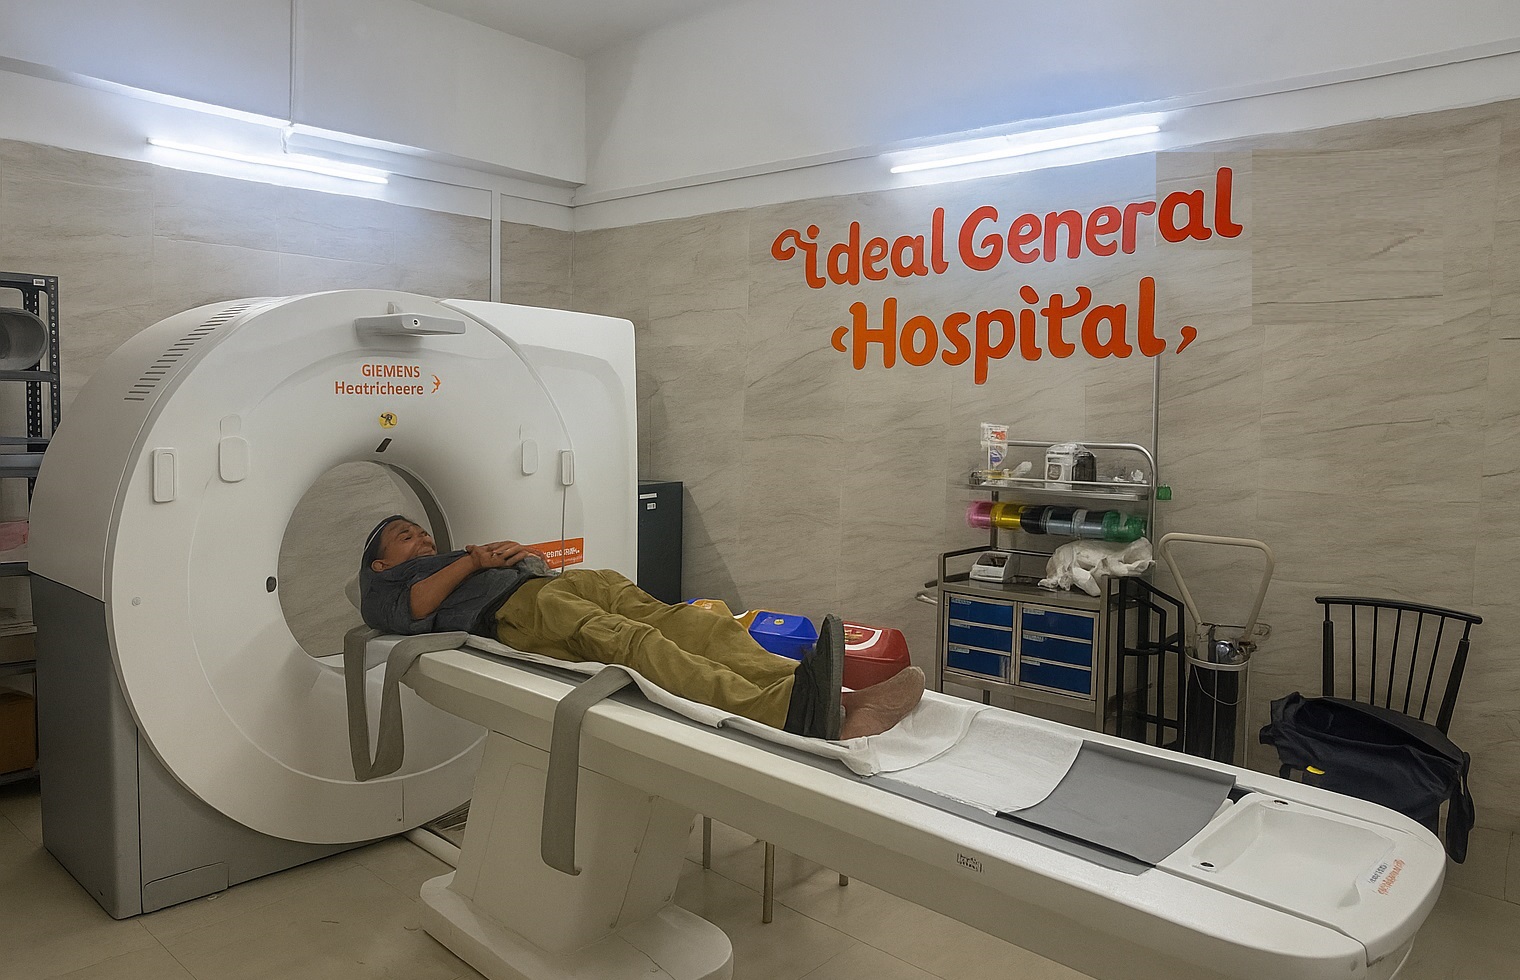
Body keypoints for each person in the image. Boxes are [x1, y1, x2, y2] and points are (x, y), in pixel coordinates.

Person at [359, 515, 925, 741]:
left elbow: (505, 566)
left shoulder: (454, 558)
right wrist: (474, 562)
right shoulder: (386, 586)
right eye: (406, 537)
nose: (422, 539)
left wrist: (522, 555)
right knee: (633, 642)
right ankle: (785, 712)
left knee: (689, 622)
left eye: (422, 532)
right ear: (382, 564)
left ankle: (823, 693)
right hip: (517, 612)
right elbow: (409, 613)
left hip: (553, 584)